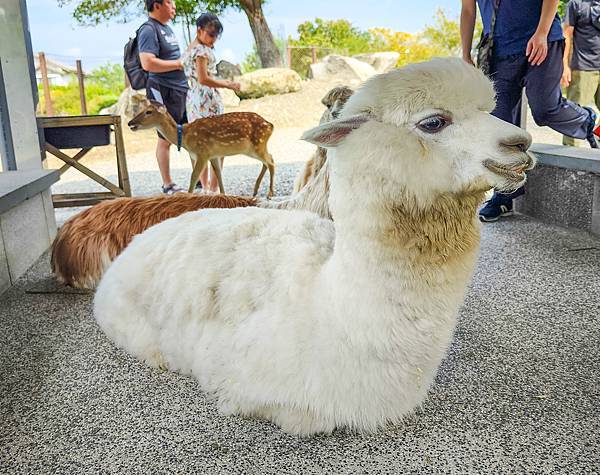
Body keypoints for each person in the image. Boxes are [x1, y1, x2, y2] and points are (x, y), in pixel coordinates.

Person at [460, 0, 600, 222]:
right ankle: (504, 195)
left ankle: (586, 121)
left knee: (545, 110)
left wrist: (542, 32)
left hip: (542, 40)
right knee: (501, 126)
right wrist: (465, 53)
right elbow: (468, 9)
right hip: (499, 51)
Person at [182, 13, 241, 194]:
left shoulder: (191, 48)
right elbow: (204, 78)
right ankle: (213, 188)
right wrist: (228, 84)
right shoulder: (201, 51)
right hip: (206, 100)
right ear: (199, 30)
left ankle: (207, 187)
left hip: (193, 100)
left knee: (199, 144)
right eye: (210, 34)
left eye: (216, 35)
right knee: (217, 143)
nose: (213, 38)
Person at [138, 0, 188, 195]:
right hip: (162, 88)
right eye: (169, 2)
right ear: (157, 4)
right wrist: (178, 64)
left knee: (189, 131)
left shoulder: (167, 28)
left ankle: (200, 179)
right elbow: (147, 63)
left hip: (180, 89)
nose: (174, 6)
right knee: (165, 137)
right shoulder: (149, 30)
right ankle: (168, 184)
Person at [562, 0, 600, 147]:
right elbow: (566, 34)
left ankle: (597, 137)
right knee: (575, 116)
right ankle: (570, 157)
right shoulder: (576, 4)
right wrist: (564, 65)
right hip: (583, 68)